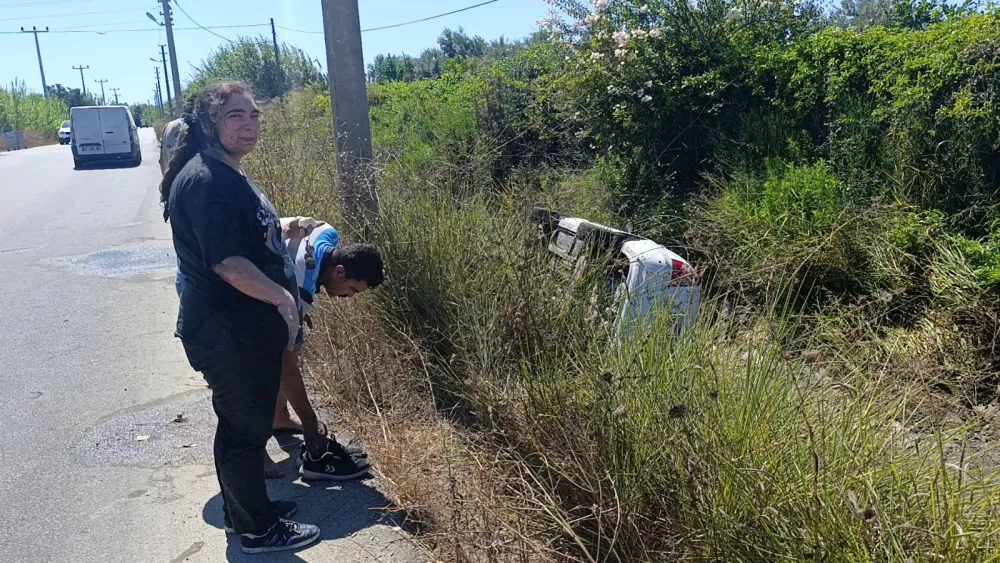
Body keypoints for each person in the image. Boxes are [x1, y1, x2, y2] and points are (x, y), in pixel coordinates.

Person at [160, 80, 320, 554]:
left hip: (240, 333)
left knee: (240, 430)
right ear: (211, 123)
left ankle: (246, 510)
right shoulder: (207, 181)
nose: (248, 125)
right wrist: (282, 298)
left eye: (253, 115)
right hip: (229, 334)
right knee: (244, 434)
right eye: (235, 116)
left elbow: (251, 235)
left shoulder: (226, 172)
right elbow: (228, 263)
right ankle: (256, 531)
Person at [277, 220, 384, 481]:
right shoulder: (301, 283)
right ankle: (254, 459)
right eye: (352, 289)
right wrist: (311, 424)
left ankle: (278, 418)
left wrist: (299, 313)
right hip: (219, 291)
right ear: (339, 272)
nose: (350, 297)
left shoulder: (327, 233)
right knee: (262, 364)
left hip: (251, 274)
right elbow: (285, 364)